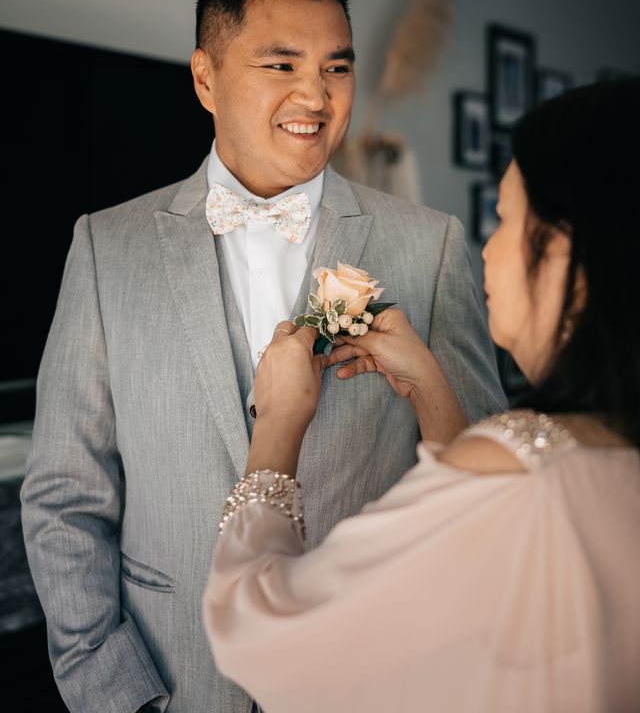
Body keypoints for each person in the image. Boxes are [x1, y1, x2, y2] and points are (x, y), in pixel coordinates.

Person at [21, 0, 504, 713]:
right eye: (281, 65)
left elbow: (483, 487)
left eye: (337, 68)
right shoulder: (106, 248)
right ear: (206, 78)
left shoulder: (432, 245)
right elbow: (63, 499)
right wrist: (114, 696)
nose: (315, 93)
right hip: (170, 679)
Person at [204, 79, 640, 713]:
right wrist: (432, 387)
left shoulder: (519, 480)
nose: (486, 247)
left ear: (564, 257)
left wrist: (276, 425)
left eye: (507, 219)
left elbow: (256, 630)